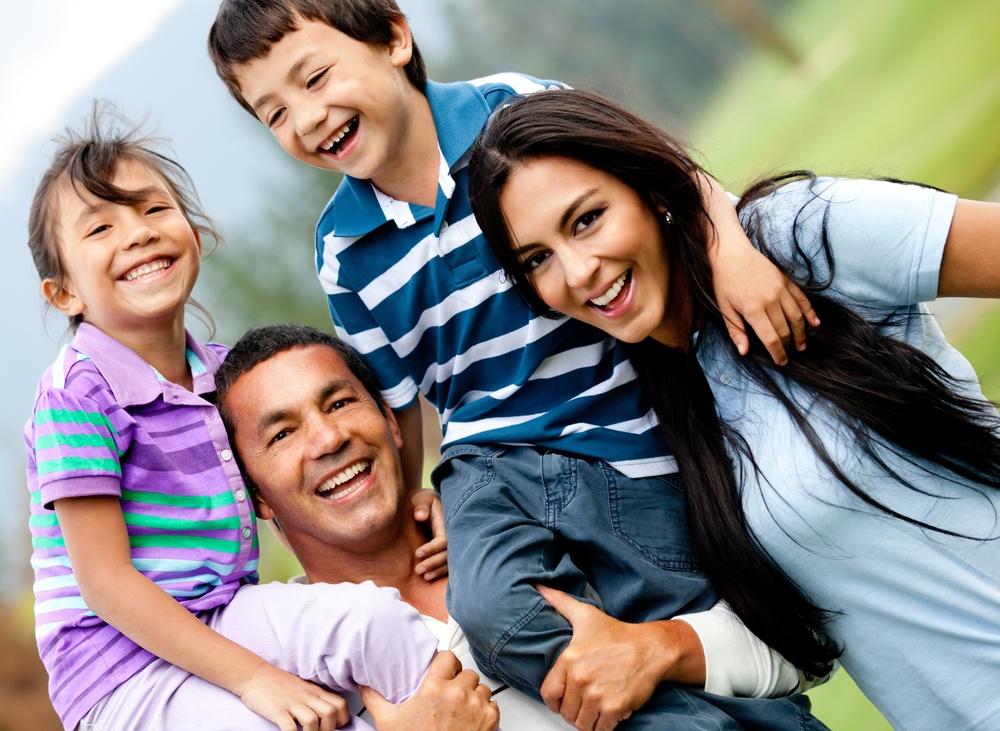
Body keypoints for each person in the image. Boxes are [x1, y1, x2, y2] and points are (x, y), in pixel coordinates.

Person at [208, 3, 830, 724]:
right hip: (487, 464)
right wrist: (414, 498)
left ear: (393, 38)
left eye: (313, 79)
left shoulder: (515, 110)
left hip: (620, 435)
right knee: (494, 613)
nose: (306, 119)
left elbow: (671, 177)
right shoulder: (344, 254)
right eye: (274, 113)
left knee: (686, 610)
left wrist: (733, 252)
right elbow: (396, 401)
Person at [467, 87, 1000, 731]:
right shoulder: (661, 410)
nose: (579, 271)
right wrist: (658, 647)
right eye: (538, 258)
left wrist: (726, 226)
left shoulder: (791, 237)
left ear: (648, 189)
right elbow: (804, 640)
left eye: (587, 219)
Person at [24, 105, 499, 731]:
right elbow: (106, 584)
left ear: (195, 235)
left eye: (152, 209)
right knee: (305, 719)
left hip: (218, 615)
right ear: (65, 293)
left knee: (374, 621)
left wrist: (418, 498)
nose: (136, 233)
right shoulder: (76, 395)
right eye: (100, 229)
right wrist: (258, 679)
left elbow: (287, 484)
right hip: (121, 669)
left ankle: (466, 714)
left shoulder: (218, 378)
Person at [214, 324, 828, 731]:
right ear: (257, 498)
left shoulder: (532, 507)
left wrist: (661, 651)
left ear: (393, 423)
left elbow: (797, 649)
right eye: (282, 433)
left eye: (340, 402)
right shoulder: (283, 666)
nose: (328, 438)